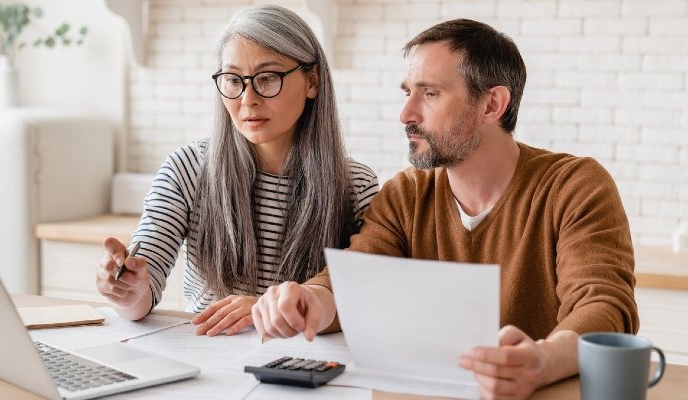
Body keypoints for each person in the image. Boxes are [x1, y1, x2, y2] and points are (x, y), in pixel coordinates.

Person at [251, 18, 638, 399]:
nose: (406, 114)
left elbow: (605, 307)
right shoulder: (405, 193)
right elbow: (357, 278)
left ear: (492, 104)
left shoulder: (574, 186)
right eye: (407, 93)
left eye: (430, 93)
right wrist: (308, 300)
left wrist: (541, 361)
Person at [95, 4, 378, 337]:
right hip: (210, 358)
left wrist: (265, 310)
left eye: (268, 78)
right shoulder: (188, 168)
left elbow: (363, 299)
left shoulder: (356, 185)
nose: (248, 99)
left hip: (305, 363)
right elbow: (143, 291)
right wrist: (126, 288)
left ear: (312, 80)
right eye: (233, 80)